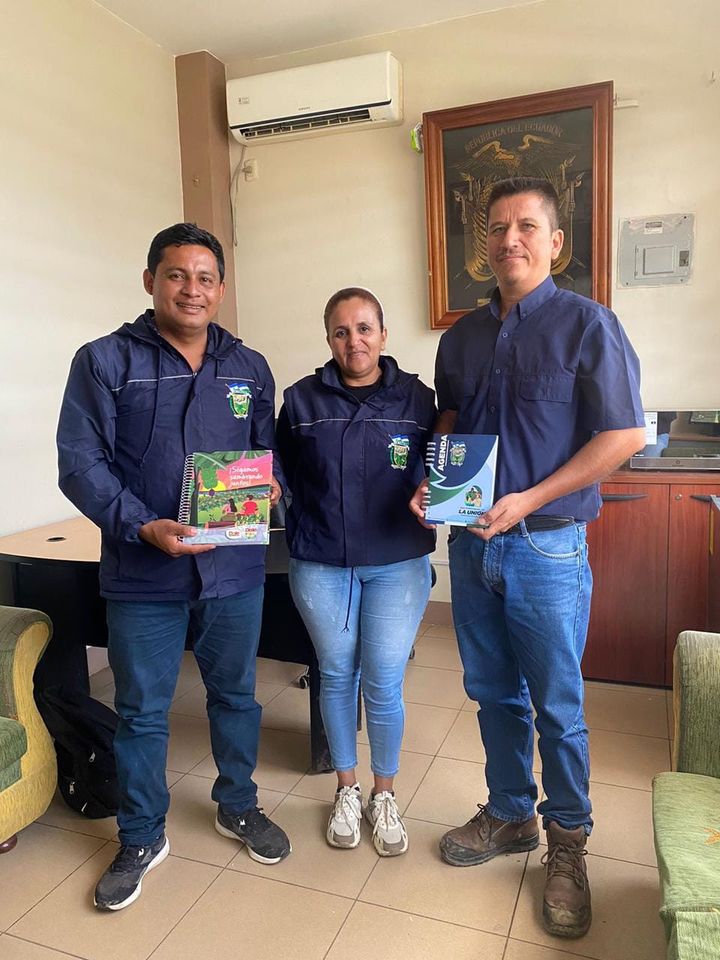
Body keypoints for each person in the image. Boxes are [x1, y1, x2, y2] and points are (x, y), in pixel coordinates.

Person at [411, 178, 645, 939]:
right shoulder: (461, 338)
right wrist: (432, 477)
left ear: (555, 243)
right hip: (471, 544)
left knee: (557, 704)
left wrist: (531, 498)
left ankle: (568, 842)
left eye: (526, 226)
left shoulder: (589, 325)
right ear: (484, 242)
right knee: (492, 693)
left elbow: (623, 436)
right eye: (496, 227)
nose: (509, 238)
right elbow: (451, 417)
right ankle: (512, 812)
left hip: (546, 544)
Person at [57, 222, 291, 911]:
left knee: (237, 698)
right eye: (177, 275)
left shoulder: (248, 367)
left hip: (233, 572)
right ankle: (140, 834)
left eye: (205, 278)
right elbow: (81, 463)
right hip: (143, 574)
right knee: (140, 711)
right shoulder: (105, 361)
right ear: (151, 281)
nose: (193, 289)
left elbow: (265, 448)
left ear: (221, 288)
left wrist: (270, 484)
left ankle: (238, 804)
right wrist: (141, 524)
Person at [277, 287, 435, 856]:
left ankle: (383, 793)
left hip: (397, 562)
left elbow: (441, 465)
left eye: (365, 329)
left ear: (383, 334)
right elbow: (277, 466)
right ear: (328, 339)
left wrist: (439, 490)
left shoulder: (419, 399)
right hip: (322, 563)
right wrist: (267, 485)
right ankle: (346, 787)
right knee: (337, 674)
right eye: (341, 332)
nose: (354, 342)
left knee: (384, 679)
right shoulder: (300, 400)